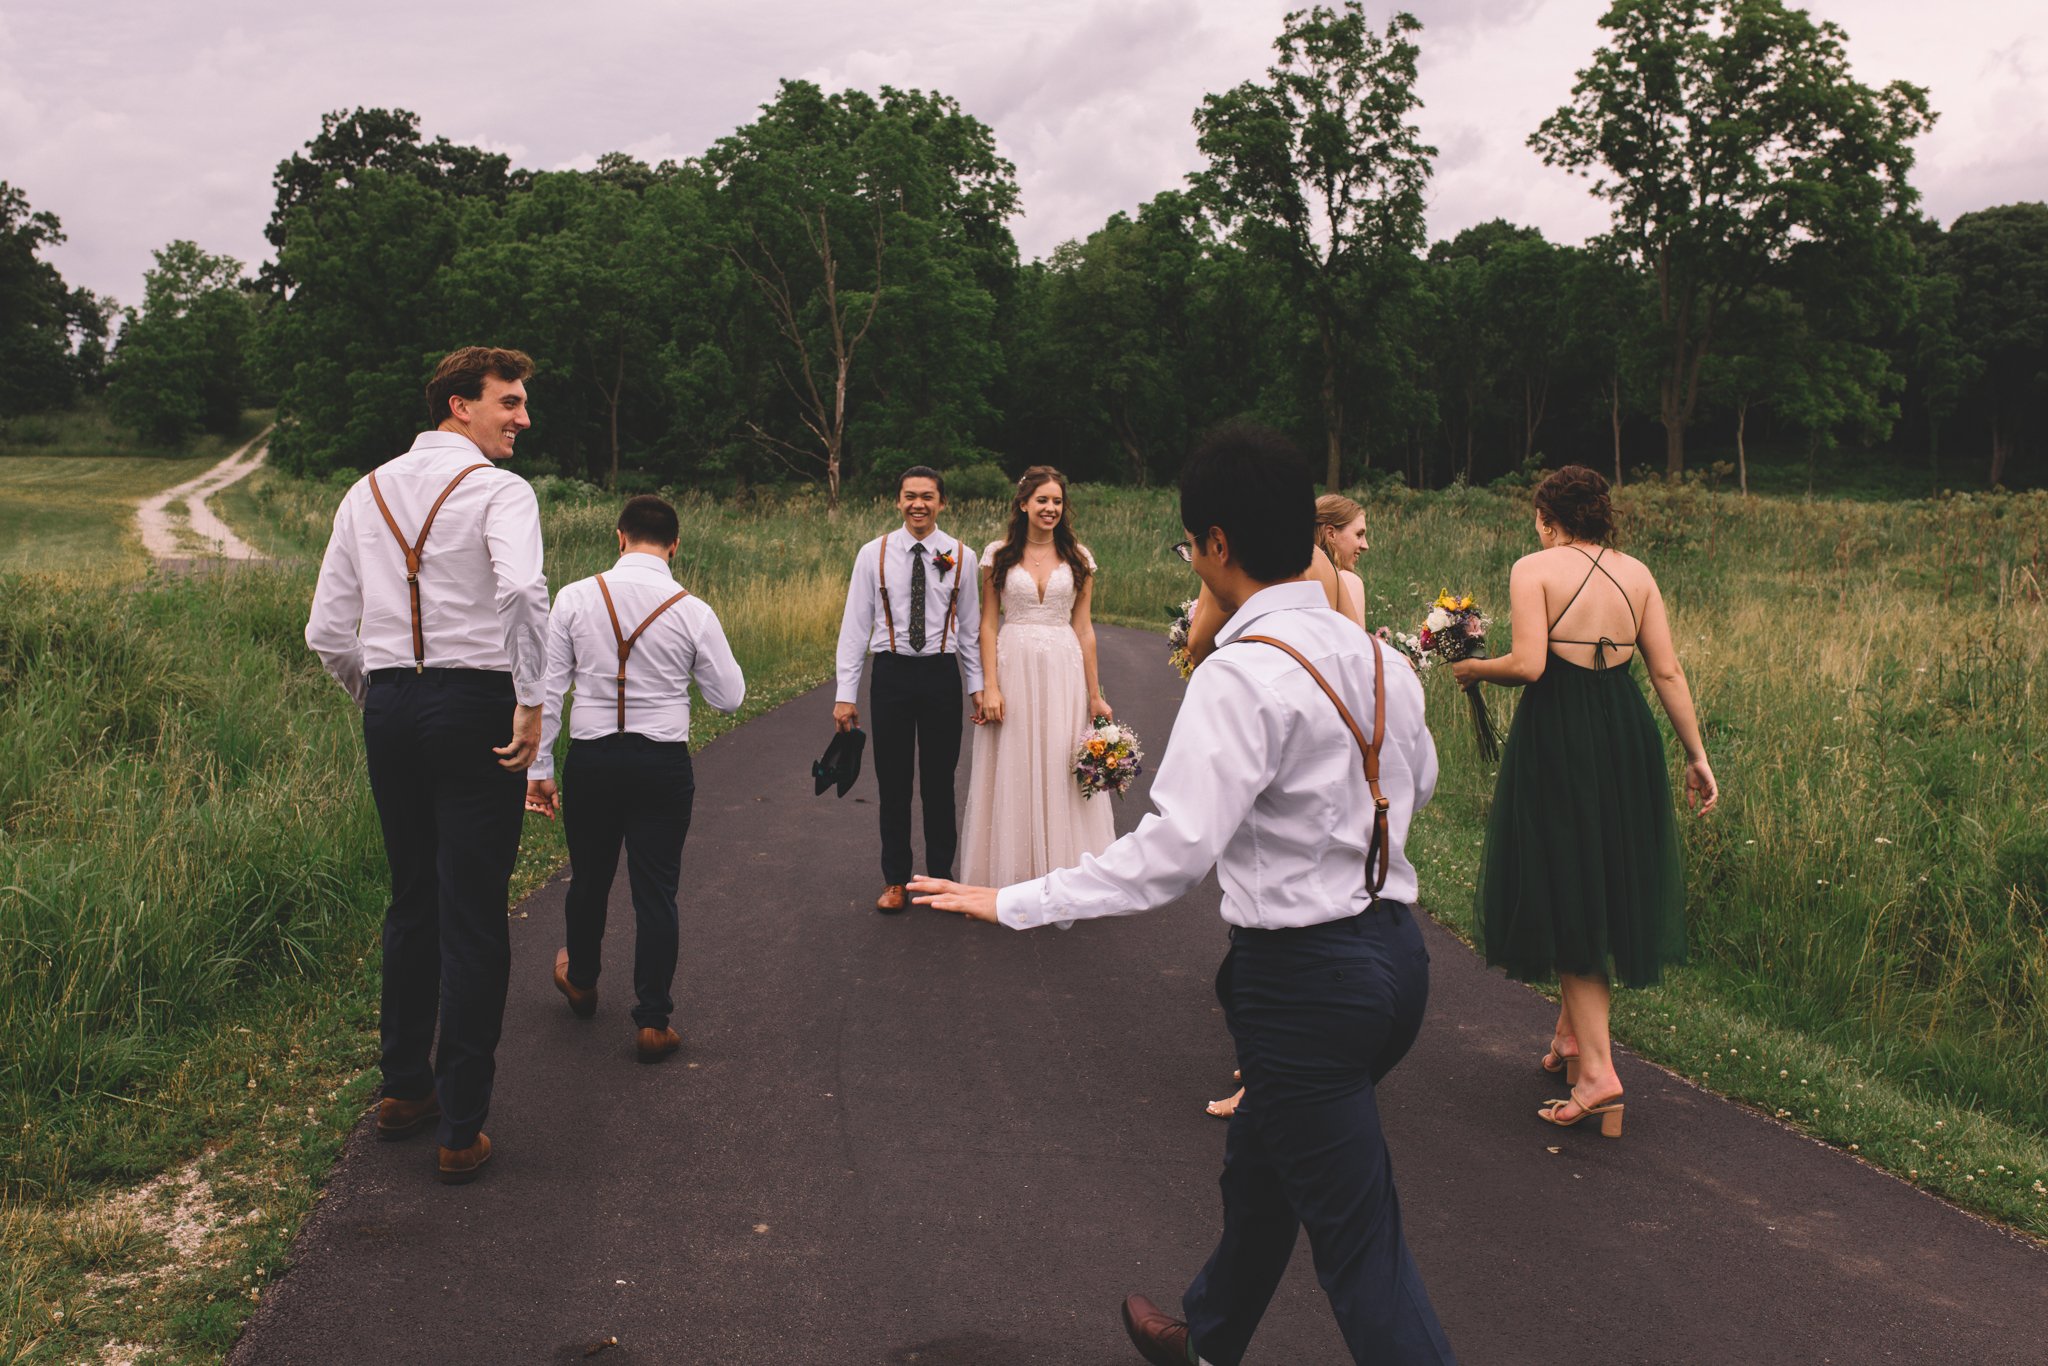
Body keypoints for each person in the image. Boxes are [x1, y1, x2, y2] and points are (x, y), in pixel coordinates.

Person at [913, 424, 1457, 1366]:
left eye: (1187, 548)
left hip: (1304, 985)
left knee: (1363, 1246)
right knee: (1261, 1169)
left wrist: (1010, 901)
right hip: (1396, 958)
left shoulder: (1241, 673)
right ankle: (1205, 1337)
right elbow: (1423, 780)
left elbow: (1172, 856)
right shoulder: (1383, 661)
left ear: (1215, 545)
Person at [305, 346, 549, 1186]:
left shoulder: (363, 491)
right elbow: (521, 591)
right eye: (509, 402)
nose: (522, 418)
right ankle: (461, 1126)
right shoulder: (498, 490)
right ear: (460, 406)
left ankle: (404, 1090)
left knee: (411, 895)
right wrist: (531, 696)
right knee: (473, 907)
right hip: (477, 701)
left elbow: (327, 633)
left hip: (392, 707)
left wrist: (376, 698)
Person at [1451, 465, 1717, 1137]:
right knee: (1595, 873)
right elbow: (1666, 670)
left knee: (1565, 880)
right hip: (1624, 729)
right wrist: (1697, 754)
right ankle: (1571, 1038)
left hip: (1561, 732)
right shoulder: (1639, 573)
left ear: (1547, 517)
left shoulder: (1534, 568)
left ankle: (1599, 1075)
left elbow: (1531, 665)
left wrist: (1476, 667)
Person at [524, 495, 745, 1064]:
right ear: (675, 545)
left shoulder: (575, 597)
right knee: (656, 891)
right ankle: (652, 1020)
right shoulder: (693, 609)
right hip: (661, 764)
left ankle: (584, 977)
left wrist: (540, 769)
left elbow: (548, 691)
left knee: (589, 877)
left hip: (593, 759)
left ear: (618, 537)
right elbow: (729, 698)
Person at [833, 467, 984, 912]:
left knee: (940, 782)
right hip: (891, 675)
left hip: (940, 674)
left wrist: (977, 686)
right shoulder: (872, 554)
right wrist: (846, 693)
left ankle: (939, 879)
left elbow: (970, 629)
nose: (919, 504)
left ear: (942, 503)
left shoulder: (961, 555)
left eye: (928, 497)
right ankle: (895, 880)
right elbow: (855, 627)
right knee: (893, 781)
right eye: (910, 496)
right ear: (897, 501)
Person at [959, 467, 1115, 886]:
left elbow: (1084, 629)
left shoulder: (1079, 558)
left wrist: (1095, 695)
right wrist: (989, 686)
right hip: (1014, 667)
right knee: (1014, 760)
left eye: (1057, 501)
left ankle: (1064, 872)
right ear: (1023, 504)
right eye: (1042, 500)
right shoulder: (999, 555)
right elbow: (987, 625)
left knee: (1061, 760)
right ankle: (1015, 871)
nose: (1050, 508)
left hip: (1063, 670)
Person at [1316, 493, 1371, 629]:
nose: (1365, 546)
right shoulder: (1347, 581)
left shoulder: (1290, 580)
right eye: (1359, 534)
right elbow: (1357, 647)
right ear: (1331, 534)